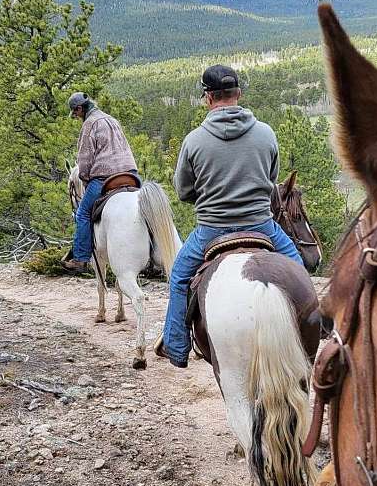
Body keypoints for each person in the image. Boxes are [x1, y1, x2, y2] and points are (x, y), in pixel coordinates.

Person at [156, 64, 303, 368]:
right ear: (239, 94)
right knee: (299, 270)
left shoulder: (194, 141)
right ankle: (314, 331)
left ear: (207, 97)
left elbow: (184, 191)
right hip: (262, 225)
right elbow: (271, 178)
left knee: (180, 278)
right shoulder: (265, 133)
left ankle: (176, 346)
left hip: (212, 230)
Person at [63, 92, 139, 272]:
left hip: (105, 176)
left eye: (75, 113)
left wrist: (85, 178)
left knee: (82, 213)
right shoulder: (112, 119)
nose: (76, 116)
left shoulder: (89, 124)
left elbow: (85, 159)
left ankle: (80, 259)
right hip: (130, 173)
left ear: (80, 108)